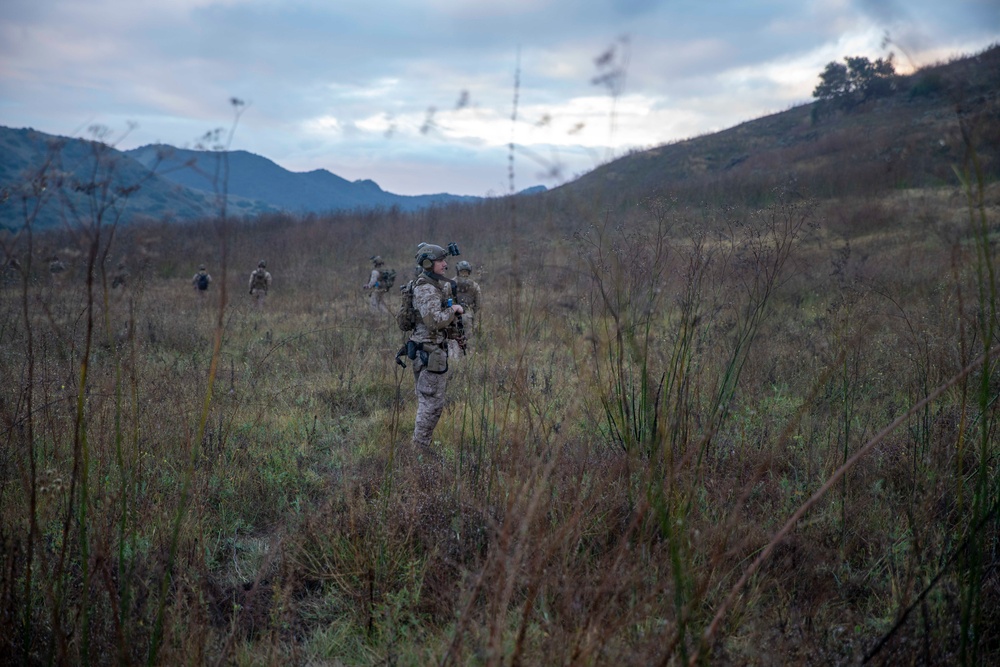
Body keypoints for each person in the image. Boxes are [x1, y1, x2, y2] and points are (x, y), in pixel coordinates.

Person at [407, 243, 464, 451]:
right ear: (429, 263)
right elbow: (433, 321)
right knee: (431, 404)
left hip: (431, 350)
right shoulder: (426, 288)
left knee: (431, 403)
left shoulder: (435, 285)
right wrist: (454, 310)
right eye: (441, 261)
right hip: (428, 352)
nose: (445, 264)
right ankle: (419, 451)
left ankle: (419, 448)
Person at [449, 259, 482, 356]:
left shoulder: (450, 284)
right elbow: (478, 307)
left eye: (465, 272)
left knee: (455, 342)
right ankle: (464, 361)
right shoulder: (475, 286)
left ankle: (458, 361)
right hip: (465, 316)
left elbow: (445, 301)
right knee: (466, 342)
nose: (464, 274)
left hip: (455, 317)